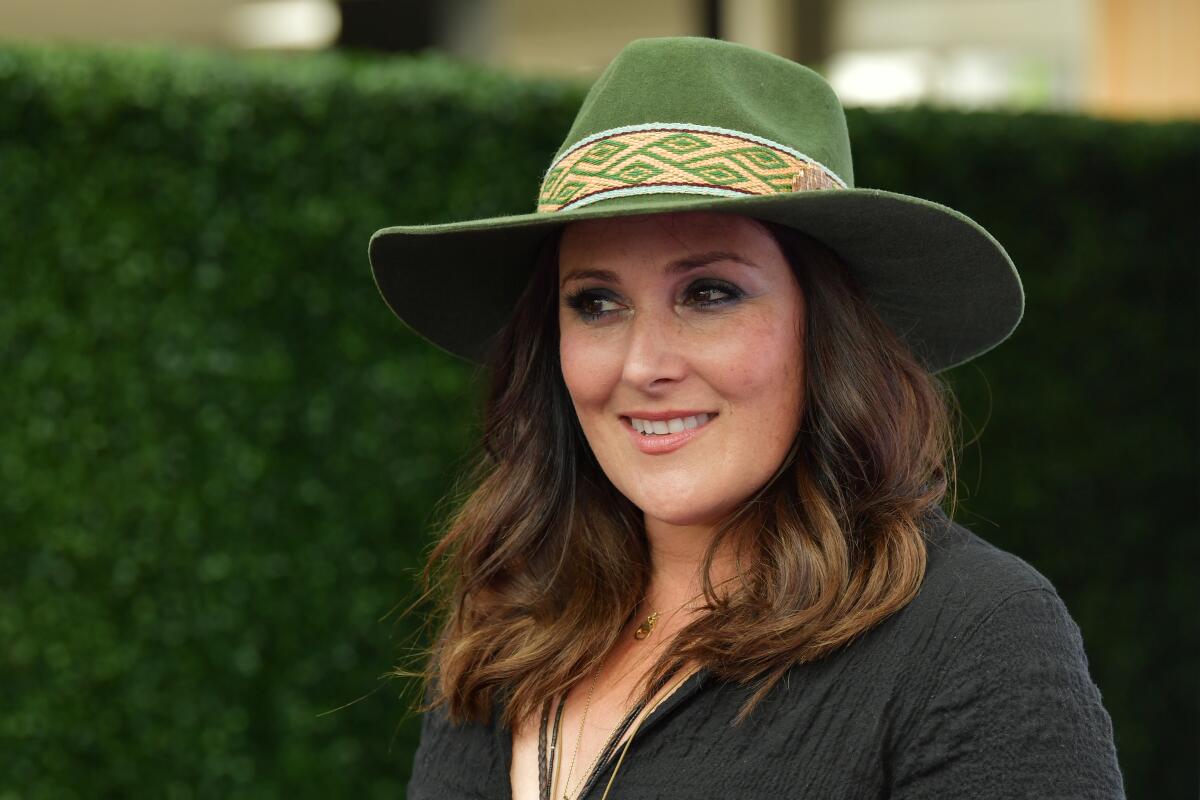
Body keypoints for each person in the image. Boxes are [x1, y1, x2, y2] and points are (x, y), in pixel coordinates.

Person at [368, 36, 1125, 800]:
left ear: (824, 328)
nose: (643, 364)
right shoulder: (515, 615)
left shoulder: (971, 633)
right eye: (596, 302)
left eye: (709, 294)